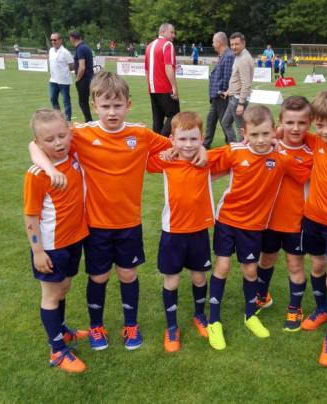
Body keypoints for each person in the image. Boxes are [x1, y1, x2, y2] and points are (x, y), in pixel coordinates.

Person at [28, 72, 206, 352]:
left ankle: (131, 324)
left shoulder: (140, 134)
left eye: (117, 105)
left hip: (129, 223)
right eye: (105, 106)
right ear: (94, 105)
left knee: (128, 275)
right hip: (96, 225)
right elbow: (35, 144)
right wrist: (50, 169)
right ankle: (96, 326)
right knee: (99, 277)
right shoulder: (81, 134)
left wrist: (202, 151)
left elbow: (179, 144)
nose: (112, 112)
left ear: (128, 105)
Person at [204, 105, 311, 351]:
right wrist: (188, 152)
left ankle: (250, 315)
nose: (261, 140)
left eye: (265, 134)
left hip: (254, 227)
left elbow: (305, 173)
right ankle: (214, 320)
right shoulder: (234, 151)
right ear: (245, 133)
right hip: (227, 220)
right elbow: (204, 159)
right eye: (255, 135)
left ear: (274, 132)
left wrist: (282, 142)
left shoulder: (281, 159)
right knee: (223, 266)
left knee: (251, 270)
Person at [146, 111, 220, 352]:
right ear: (172, 139)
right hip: (173, 232)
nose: (188, 144)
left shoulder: (207, 160)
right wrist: (166, 151)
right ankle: (171, 326)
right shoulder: (165, 160)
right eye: (182, 139)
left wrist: (204, 151)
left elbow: (237, 151)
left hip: (199, 230)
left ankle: (200, 315)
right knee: (172, 279)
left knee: (199, 277)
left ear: (202, 138)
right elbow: (143, 159)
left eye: (194, 139)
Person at [23, 109, 90, 373]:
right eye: (49, 140)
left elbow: (39, 143)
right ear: (39, 143)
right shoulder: (37, 175)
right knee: (51, 295)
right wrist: (38, 251)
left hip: (75, 239)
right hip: (52, 246)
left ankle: (61, 331)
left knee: (64, 288)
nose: (58, 143)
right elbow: (31, 216)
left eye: (62, 136)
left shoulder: (73, 157)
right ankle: (57, 350)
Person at [255, 96, 314, 332]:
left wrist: (281, 150)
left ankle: (294, 308)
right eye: (289, 122)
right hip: (268, 219)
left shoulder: (312, 151)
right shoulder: (266, 144)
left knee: (295, 265)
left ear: (309, 123)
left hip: (296, 222)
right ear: (280, 122)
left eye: (301, 122)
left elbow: (301, 175)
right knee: (265, 259)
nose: (295, 128)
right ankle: (261, 296)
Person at [145, 23, 180, 136]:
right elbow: (168, 66)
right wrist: (174, 87)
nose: (174, 35)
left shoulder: (149, 46)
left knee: (157, 119)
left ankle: (155, 143)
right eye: (172, 32)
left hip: (153, 89)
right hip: (164, 87)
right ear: (163, 32)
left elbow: (146, 70)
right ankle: (163, 140)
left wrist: (149, 87)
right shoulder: (167, 45)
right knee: (174, 115)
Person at [204, 32, 236, 148]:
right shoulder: (223, 55)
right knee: (211, 120)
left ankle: (232, 144)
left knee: (225, 123)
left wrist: (223, 92)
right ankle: (206, 144)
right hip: (216, 97)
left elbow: (228, 77)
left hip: (221, 96)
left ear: (219, 42)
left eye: (213, 42)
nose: (212, 44)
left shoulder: (228, 56)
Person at [221, 32, 254, 140]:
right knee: (225, 123)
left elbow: (246, 83)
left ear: (243, 43)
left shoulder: (244, 59)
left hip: (238, 99)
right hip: (234, 97)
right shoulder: (239, 56)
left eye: (236, 44)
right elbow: (237, 80)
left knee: (240, 129)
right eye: (232, 44)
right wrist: (228, 92)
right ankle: (235, 145)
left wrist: (241, 103)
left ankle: (241, 148)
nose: (234, 47)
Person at [48, 32, 74, 121]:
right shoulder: (51, 50)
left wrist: (64, 72)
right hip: (53, 80)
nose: (53, 42)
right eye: (51, 40)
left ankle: (68, 120)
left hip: (64, 81)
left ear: (60, 40)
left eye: (55, 40)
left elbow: (72, 65)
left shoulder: (65, 52)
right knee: (52, 98)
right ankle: (58, 117)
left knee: (66, 101)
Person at [69, 31, 94, 122]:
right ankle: (89, 120)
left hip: (84, 79)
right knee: (86, 101)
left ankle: (89, 121)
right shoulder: (85, 47)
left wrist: (78, 79)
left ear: (72, 38)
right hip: (90, 77)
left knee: (83, 102)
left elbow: (82, 67)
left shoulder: (80, 48)